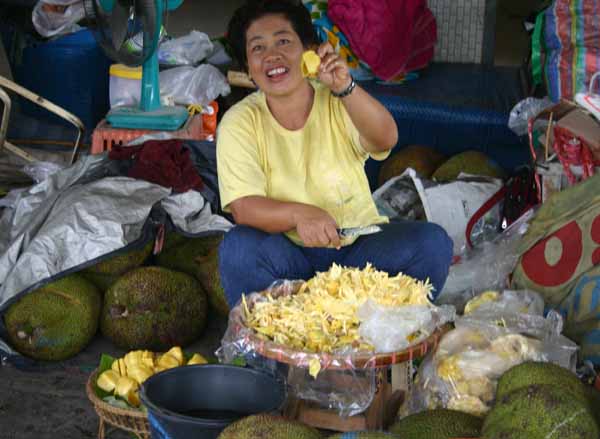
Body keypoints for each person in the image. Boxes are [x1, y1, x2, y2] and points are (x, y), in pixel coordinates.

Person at [217, 0, 452, 307]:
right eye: (257, 48)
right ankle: (271, 352)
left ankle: (380, 342)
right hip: (288, 258)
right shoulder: (239, 121)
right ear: (248, 67)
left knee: (432, 244)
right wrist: (300, 214)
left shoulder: (338, 98)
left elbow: (385, 138)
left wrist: (345, 86)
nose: (272, 55)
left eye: (284, 41)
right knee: (238, 247)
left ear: (310, 50)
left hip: (357, 251)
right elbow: (244, 208)